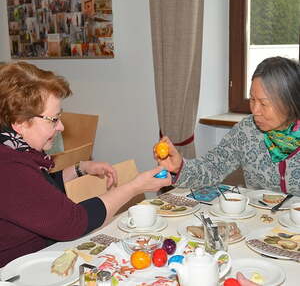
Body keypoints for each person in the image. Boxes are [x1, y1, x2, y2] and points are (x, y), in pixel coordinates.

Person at [0, 62, 171, 267]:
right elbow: (74, 222)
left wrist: (80, 168)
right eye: (53, 119)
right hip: (16, 272)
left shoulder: (13, 149)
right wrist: (134, 187)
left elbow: (39, 192)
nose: (61, 126)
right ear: (20, 123)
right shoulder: (9, 168)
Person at [155, 56, 300, 196]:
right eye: (252, 99)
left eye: (264, 103)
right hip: (260, 218)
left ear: (290, 101)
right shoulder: (247, 131)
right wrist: (179, 167)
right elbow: (213, 166)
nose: (255, 110)